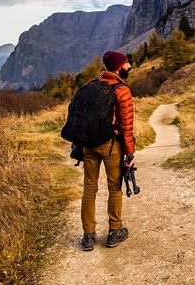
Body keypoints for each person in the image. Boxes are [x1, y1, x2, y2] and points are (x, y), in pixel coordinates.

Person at [80, 50, 136, 251]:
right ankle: (114, 232)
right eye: (127, 63)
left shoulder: (89, 85)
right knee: (114, 187)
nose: (129, 66)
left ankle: (88, 236)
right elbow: (126, 126)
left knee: (89, 189)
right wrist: (129, 153)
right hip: (111, 145)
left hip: (88, 146)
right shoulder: (121, 90)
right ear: (120, 67)